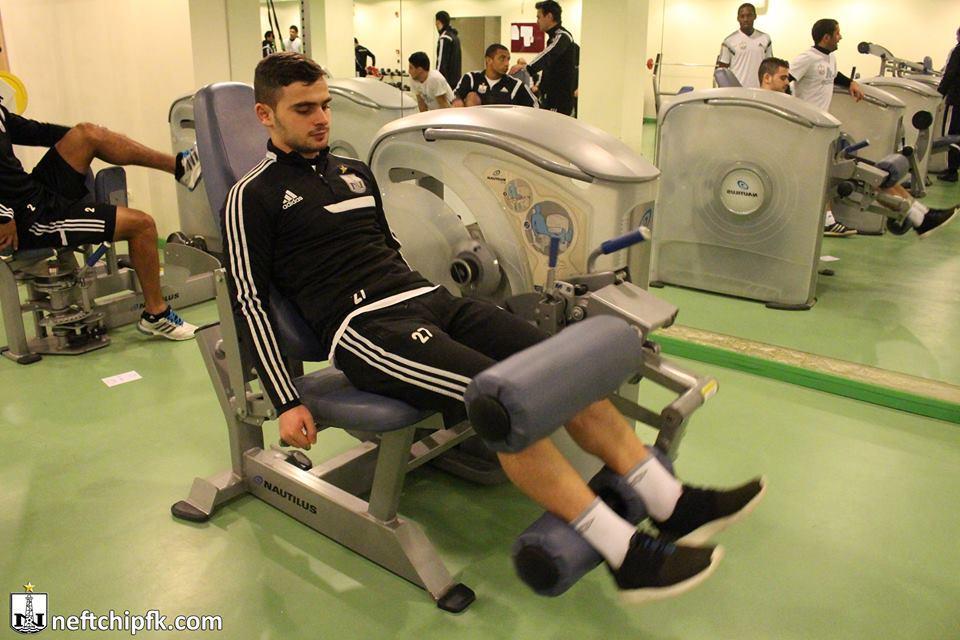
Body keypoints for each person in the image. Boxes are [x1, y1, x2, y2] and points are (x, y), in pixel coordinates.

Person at [225, 51, 766, 602]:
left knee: (562, 369)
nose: (321, 118)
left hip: (432, 300)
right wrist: (286, 398)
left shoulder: (354, 172)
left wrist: (433, 299)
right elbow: (248, 299)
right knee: (504, 403)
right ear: (266, 115)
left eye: (325, 105)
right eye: (304, 109)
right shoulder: (252, 196)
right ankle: (626, 555)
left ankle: (672, 505)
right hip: (367, 329)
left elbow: (387, 248)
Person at [0, 102, 200, 339]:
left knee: (88, 133)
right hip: (29, 220)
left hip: (34, 192)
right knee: (142, 225)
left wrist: (103, 138)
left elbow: (37, 132)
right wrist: (3, 214)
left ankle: (180, 167)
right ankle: (156, 314)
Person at [759, 57, 957, 238]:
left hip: (812, 155)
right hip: (796, 163)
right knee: (871, 178)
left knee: (879, 174)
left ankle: (922, 215)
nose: (787, 82)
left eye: (787, 78)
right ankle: (919, 217)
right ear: (767, 78)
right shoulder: (762, 104)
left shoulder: (786, 102)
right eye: (783, 78)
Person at [790, 19, 865, 237]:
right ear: (826, 37)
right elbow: (785, 80)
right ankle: (826, 221)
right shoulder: (806, 58)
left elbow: (833, 75)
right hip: (806, 126)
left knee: (822, 173)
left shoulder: (830, 57)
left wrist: (851, 83)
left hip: (822, 127)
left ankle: (823, 219)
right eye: (837, 33)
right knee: (820, 174)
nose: (841, 37)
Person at [509, 1, 577, 116]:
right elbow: (549, 66)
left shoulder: (562, 36)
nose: (537, 21)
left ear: (549, 16)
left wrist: (527, 68)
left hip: (560, 99)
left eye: (539, 17)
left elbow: (548, 55)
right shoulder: (553, 37)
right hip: (550, 96)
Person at [453, 44, 538, 108]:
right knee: (472, 97)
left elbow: (535, 106)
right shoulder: (471, 78)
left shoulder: (516, 85)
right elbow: (455, 97)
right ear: (488, 60)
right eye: (502, 58)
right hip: (477, 124)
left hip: (503, 124)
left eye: (508, 59)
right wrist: (458, 102)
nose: (507, 64)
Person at [716, 3, 773, 89]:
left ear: (755, 16)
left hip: (760, 90)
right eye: (742, 16)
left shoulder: (765, 38)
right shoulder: (729, 41)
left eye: (749, 16)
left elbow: (770, 66)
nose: (745, 19)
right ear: (738, 18)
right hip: (737, 91)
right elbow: (722, 71)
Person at [937, 26, 960, 183]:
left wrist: (940, 94)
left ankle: (952, 170)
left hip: (957, 99)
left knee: (954, 134)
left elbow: (950, 73)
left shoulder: (958, 51)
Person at [434, 11, 462, 89]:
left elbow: (441, 62)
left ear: (438, 22)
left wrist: (437, 81)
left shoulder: (444, 38)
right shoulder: (455, 37)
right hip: (455, 80)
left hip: (445, 82)